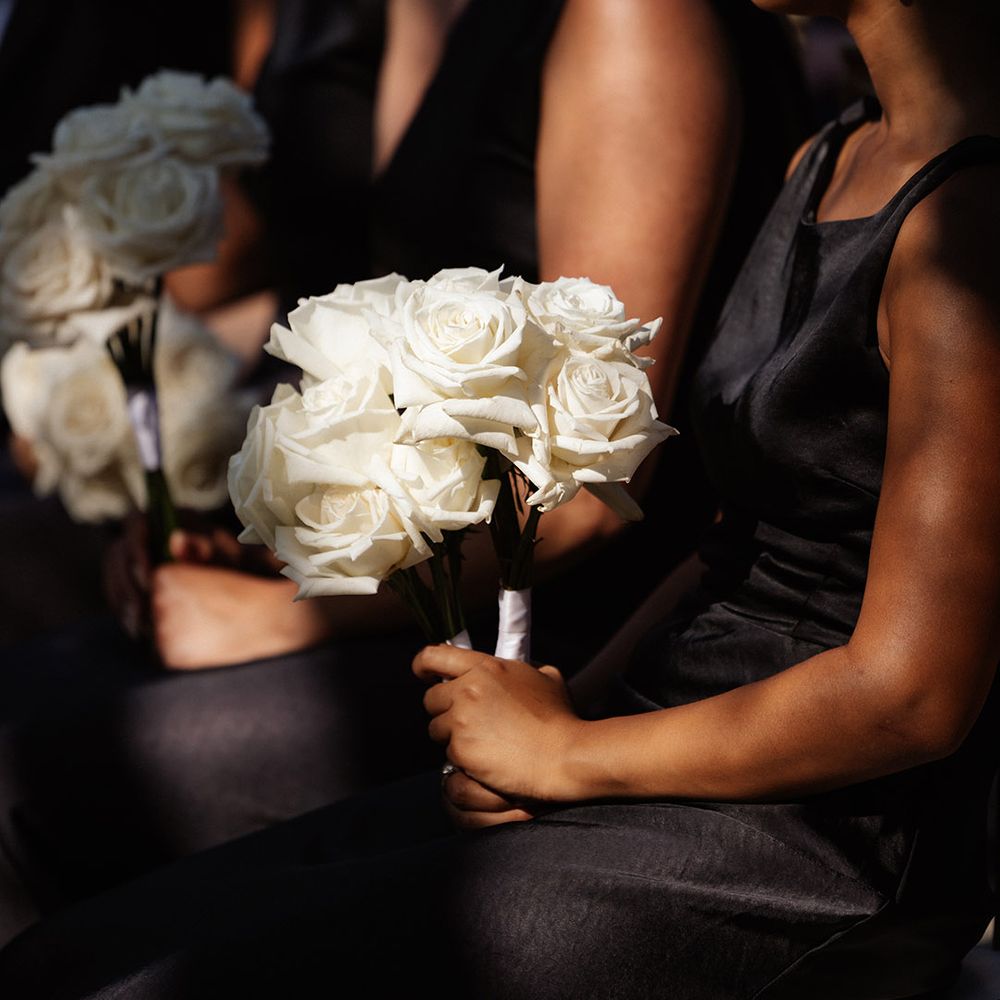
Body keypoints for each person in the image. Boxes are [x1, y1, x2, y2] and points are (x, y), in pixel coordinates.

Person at [2, 0, 998, 995]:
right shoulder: (829, 155)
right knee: (70, 959)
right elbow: (730, 540)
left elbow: (913, 695)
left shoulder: (970, 217)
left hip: (810, 835)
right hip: (654, 719)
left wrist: (573, 754)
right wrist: (561, 707)